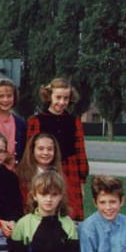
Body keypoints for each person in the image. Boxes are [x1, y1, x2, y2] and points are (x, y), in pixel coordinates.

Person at [26, 78, 89, 220]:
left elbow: (80, 151)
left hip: (69, 170)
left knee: (70, 212)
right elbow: (30, 151)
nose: (62, 102)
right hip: (43, 170)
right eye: (58, 97)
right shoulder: (36, 120)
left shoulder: (74, 121)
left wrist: (82, 182)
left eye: (66, 98)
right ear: (49, 96)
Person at [16, 132, 63, 211]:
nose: (45, 153)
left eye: (50, 149)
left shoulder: (60, 175)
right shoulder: (20, 176)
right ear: (32, 151)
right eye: (41, 149)